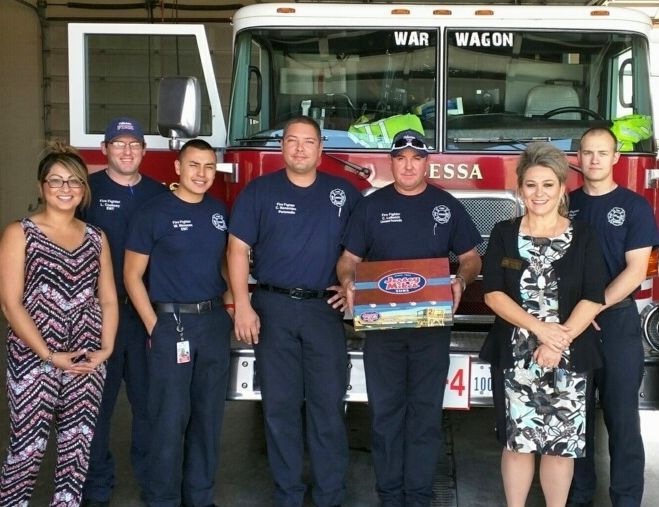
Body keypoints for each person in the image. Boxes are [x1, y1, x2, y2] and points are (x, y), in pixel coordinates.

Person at [337, 129, 482, 507]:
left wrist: (461, 281)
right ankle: (389, 495)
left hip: (430, 329)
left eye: (415, 158)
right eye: (400, 158)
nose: (408, 165)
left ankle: (418, 497)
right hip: (382, 331)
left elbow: (471, 256)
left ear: (425, 164)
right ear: (392, 163)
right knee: (385, 416)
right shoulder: (370, 206)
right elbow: (348, 260)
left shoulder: (445, 205)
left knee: (424, 417)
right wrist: (349, 281)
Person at [227, 116, 360, 507]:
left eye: (308, 142)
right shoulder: (259, 192)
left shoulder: (345, 193)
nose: (300, 148)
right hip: (272, 309)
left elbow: (359, 251)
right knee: (279, 408)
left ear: (321, 150)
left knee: (327, 408)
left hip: (324, 310)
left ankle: (329, 495)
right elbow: (236, 250)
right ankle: (287, 494)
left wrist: (354, 286)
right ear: (282, 147)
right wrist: (242, 305)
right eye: (292, 141)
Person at [479, 142, 607, 507]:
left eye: (548, 185)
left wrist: (556, 341)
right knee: (518, 443)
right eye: (531, 185)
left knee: (560, 446)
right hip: (517, 355)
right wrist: (540, 330)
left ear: (562, 188)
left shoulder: (585, 236)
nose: (539, 193)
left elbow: (593, 296)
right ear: (520, 189)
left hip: (568, 353)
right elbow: (493, 294)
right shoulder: (503, 233)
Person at [0, 142, 117, 506]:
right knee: (27, 447)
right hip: (34, 356)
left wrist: (107, 348)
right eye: (56, 181)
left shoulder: (96, 238)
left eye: (74, 182)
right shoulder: (20, 233)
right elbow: (10, 303)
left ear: (84, 189)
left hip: (86, 357)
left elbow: (109, 297)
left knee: (76, 449)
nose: (65, 189)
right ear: (41, 187)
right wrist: (49, 355)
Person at [124, 139, 233, 507]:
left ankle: (200, 497)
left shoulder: (219, 212)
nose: (201, 174)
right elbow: (132, 276)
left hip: (214, 323)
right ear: (178, 168)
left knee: (208, 415)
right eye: (193, 166)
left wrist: (231, 304)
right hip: (172, 324)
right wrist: (155, 324)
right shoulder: (153, 213)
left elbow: (221, 263)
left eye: (208, 166)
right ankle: (162, 498)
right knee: (169, 418)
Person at [566, 127, 659, 507]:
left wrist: (592, 308)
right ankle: (579, 495)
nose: (593, 160)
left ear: (615, 157)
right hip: (572, 326)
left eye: (602, 153)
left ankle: (626, 499)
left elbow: (636, 271)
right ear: (579, 158)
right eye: (587, 153)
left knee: (622, 419)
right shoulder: (565, 204)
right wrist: (574, 317)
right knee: (575, 417)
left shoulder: (635, 206)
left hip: (616, 322)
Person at [81, 116, 168, 506]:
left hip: (145, 316)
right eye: (119, 143)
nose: (127, 150)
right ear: (105, 150)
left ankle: (154, 488)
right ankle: (96, 489)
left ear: (144, 152)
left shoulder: (160, 194)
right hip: (97, 319)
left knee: (150, 407)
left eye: (134, 144)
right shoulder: (85, 193)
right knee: (95, 408)